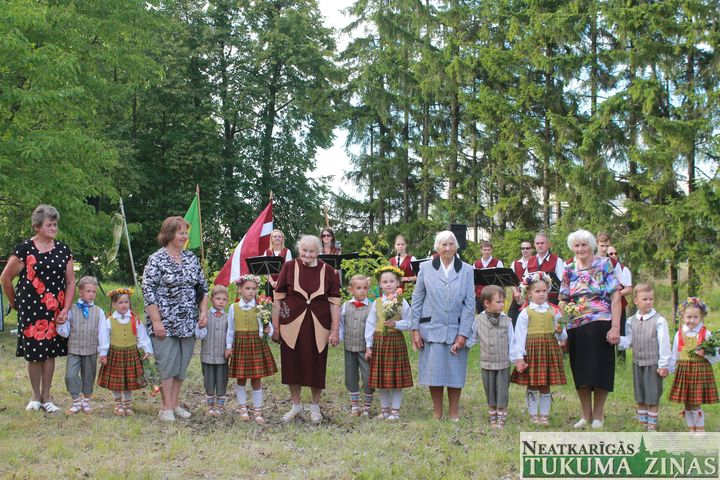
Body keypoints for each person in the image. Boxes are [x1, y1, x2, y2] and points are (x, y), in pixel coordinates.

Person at [0, 204, 74, 413]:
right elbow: (5, 278)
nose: (53, 228)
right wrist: (14, 302)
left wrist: (66, 309)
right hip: (30, 309)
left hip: (55, 310)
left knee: (49, 353)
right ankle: (35, 397)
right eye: (49, 224)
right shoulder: (24, 249)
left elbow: (70, 282)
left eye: (55, 224)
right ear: (37, 226)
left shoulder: (63, 250)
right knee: (34, 353)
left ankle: (47, 397)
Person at [142, 216, 208, 422]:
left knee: (181, 365)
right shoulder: (157, 259)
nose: (185, 236)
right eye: (181, 232)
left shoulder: (191, 258)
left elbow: (203, 288)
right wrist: (156, 321)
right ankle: (166, 407)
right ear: (169, 234)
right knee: (167, 364)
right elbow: (148, 291)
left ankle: (175, 404)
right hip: (164, 322)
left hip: (188, 322)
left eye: (185, 232)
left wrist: (203, 312)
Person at [271, 235, 341, 423]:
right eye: (304, 250)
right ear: (299, 250)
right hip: (291, 324)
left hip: (319, 325)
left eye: (311, 251)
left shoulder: (328, 271)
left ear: (318, 252)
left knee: (316, 364)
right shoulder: (288, 267)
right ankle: (296, 406)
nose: (307, 254)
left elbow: (334, 303)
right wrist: (275, 327)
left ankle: (315, 407)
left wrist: (335, 330)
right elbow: (277, 300)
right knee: (292, 364)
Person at [559, 229, 621, 429]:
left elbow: (615, 296)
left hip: (601, 321)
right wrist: (563, 329)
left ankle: (598, 416)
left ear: (592, 246)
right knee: (581, 371)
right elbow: (563, 300)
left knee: (600, 370)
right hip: (576, 325)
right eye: (576, 245)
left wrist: (616, 327)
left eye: (584, 244)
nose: (580, 249)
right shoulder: (568, 269)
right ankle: (585, 415)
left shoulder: (604, 264)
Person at [411, 230, 475, 421]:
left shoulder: (467, 270)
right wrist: (415, 329)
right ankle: (437, 412)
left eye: (451, 244)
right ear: (437, 248)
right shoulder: (425, 268)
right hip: (432, 328)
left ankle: (454, 412)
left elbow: (469, 303)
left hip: (456, 328)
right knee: (435, 372)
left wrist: (463, 333)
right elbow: (417, 299)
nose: (447, 248)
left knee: (455, 373)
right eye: (443, 244)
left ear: (456, 247)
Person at [510, 272, 567, 425]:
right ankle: (533, 414)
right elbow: (519, 337)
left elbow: (562, 336)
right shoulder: (525, 313)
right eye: (537, 291)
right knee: (533, 383)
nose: (542, 294)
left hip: (548, 351)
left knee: (545, 383)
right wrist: (519, 358)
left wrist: (560, 331)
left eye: (544, 291)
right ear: (529, 294)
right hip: (532, 352)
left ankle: (544, 415)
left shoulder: (554, 311)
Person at [617, 284, 671, 432]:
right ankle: (643, 423)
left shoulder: (659, 321)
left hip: (653, 364)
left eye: (651, 299)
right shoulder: (631, 321)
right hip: (637, 363)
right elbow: (629, 341)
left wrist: (664, 365)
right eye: (644, 299)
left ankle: (651, 426)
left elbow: (664, 344)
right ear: (636, 301)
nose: (648, 302)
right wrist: (618, 340)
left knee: (652, 396)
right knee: (640, 395)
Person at [225, 274, 277, 424]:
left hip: (256, 344)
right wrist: (228, 347)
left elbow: (269, 327)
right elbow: (230, 330)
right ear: (240, 289)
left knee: (256, 378)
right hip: (241, 345)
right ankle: (243, 408)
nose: (251, 291)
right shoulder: (234, 308)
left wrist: (269, 330)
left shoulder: (261, 307)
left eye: (254, 289)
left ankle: (257, 410)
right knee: (240, 378)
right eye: (247, 288)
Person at [365, 266, 413, 420]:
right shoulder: (377, 303)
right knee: (382, 379)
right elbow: (370, 324)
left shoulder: (401, 301)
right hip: (380, 341)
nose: (388, 284)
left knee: (396, 379)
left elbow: (410, 322)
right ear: (380, 284)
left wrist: (396, 324)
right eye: (385, 282)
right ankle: (385, 410)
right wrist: (368, 346)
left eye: (391, 281)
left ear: (398, 283)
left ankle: (395, 411)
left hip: (395, 341)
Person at [97, 288, 153, 416]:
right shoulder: (109, 321)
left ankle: (127, 404)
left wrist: (146, 349)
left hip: (131, 354)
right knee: (116, 381)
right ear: (114, 304)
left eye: (126, 302)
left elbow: (142, 335)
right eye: (120, 302)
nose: (124, 305)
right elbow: (104, 337)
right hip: (115, 354)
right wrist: (103, 353)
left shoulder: (135, 319)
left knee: (129, 380)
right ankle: (118, 404)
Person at [468, 286, 516, 429]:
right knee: (489, 390)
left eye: (503, 302)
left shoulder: (507, 320)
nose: (502, 305)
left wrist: (516, 359)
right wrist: (462, 346)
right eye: (498, 302)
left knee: (502, 391)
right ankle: (492, 416)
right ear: (487, 303)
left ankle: (501, 417)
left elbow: (512, 341)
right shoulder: (478, 320)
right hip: (487, 363)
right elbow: (473, 338)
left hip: (503, 364)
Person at [669, 297, 719, 433]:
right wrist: (670, 368)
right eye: (688, 317)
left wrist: (705, 353)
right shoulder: (679, 333)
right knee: (686, 402)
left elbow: (716, 356)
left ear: (702, 317)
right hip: (684, 370)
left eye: (695, 317)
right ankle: (691, 429)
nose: (692, 320)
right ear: (682, 316)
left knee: (695, 402)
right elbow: (675, 353)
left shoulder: (706, 334)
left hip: (699, 370)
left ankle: (700, 429)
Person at [57, 276, 106, 414]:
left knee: (89, 376)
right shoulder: (71, 309)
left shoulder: (99, 312)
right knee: (70, 375)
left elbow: (102, 333)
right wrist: (60, 324)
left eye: (94, 292)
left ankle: (86, 401)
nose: (91, 294)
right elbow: (65, 331)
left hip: (91, 349)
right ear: (80, 292)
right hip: (74, 348)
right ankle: (76, 400)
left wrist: (103, 351)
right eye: (88, 291)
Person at [339, 275, 374, 416]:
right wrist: (339, 337)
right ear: (351, 290)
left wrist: (370, 345)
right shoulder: (345, 306)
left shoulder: (371, 307)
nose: (362, 291)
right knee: (350, 376)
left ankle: (367, 406)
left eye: (365, 288)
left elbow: (372, 328)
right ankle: (355, 406)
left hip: (365, 348)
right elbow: (341, 324)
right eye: (358, 288)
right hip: (349, 346)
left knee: (368, 377)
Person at [195, 285, 230, 417]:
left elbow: (231, 335)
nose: (221, 302)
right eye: (218, 298)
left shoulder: (228, 317)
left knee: (222, 382)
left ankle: (220, 407)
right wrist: (200, 326)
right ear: (211, 299)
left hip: (222, 356)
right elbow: (199, 335)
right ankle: (210, 407)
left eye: (224, 299)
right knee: (208, 382)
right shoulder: (205, 316)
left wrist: (229, 348)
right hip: (207, 355)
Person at [607, 245, 633, 361]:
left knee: (620, 331)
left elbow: (629, 289)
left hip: (619, 306)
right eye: (610, 254)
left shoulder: (623, 269)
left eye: (615, 253)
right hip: (604, 308)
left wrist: (615, 294)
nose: (613, 256)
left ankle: (621, 360)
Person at [527, 233, 565, 305]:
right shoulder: (530, 260)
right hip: (533, 302)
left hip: (552, 302)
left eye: (542, 243)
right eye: (537, 243)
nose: (540, 245)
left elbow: (562, 282)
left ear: (548, 244)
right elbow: (526, 281)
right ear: (534, 245)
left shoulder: (557, 260)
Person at [473, 241, 504, 313]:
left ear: (491, 250)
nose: (486, 252)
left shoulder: (498, 263)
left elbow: (501, 281)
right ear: (481, 250)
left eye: (488, 250)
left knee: (494, 316)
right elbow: (474, 282)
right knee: (481, 317)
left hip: (493, 296)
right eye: (484, 250)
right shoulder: (476, 264)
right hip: (480, 296)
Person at [508, 241, 534, 325]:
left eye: (527, 248)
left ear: (532, 249)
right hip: (517, 298)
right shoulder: (515, 263)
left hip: (531, 299)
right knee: (512, 320)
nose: (525, 250)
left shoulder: (535, 262)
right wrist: (516, 293)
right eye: (523, 248)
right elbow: (511, 280)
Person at [263, 229, 293, 298]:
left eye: (279, 236)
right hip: (269, 283)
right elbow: (265, 270)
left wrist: (278, 281)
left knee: (282, 303)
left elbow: (288, 269)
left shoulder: (287, 251)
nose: (277, 238)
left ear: (282, 239)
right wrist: (272, 282)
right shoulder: (267, 252)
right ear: (272, 239)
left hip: (283, 283)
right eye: (275, 236)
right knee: (269, 303)